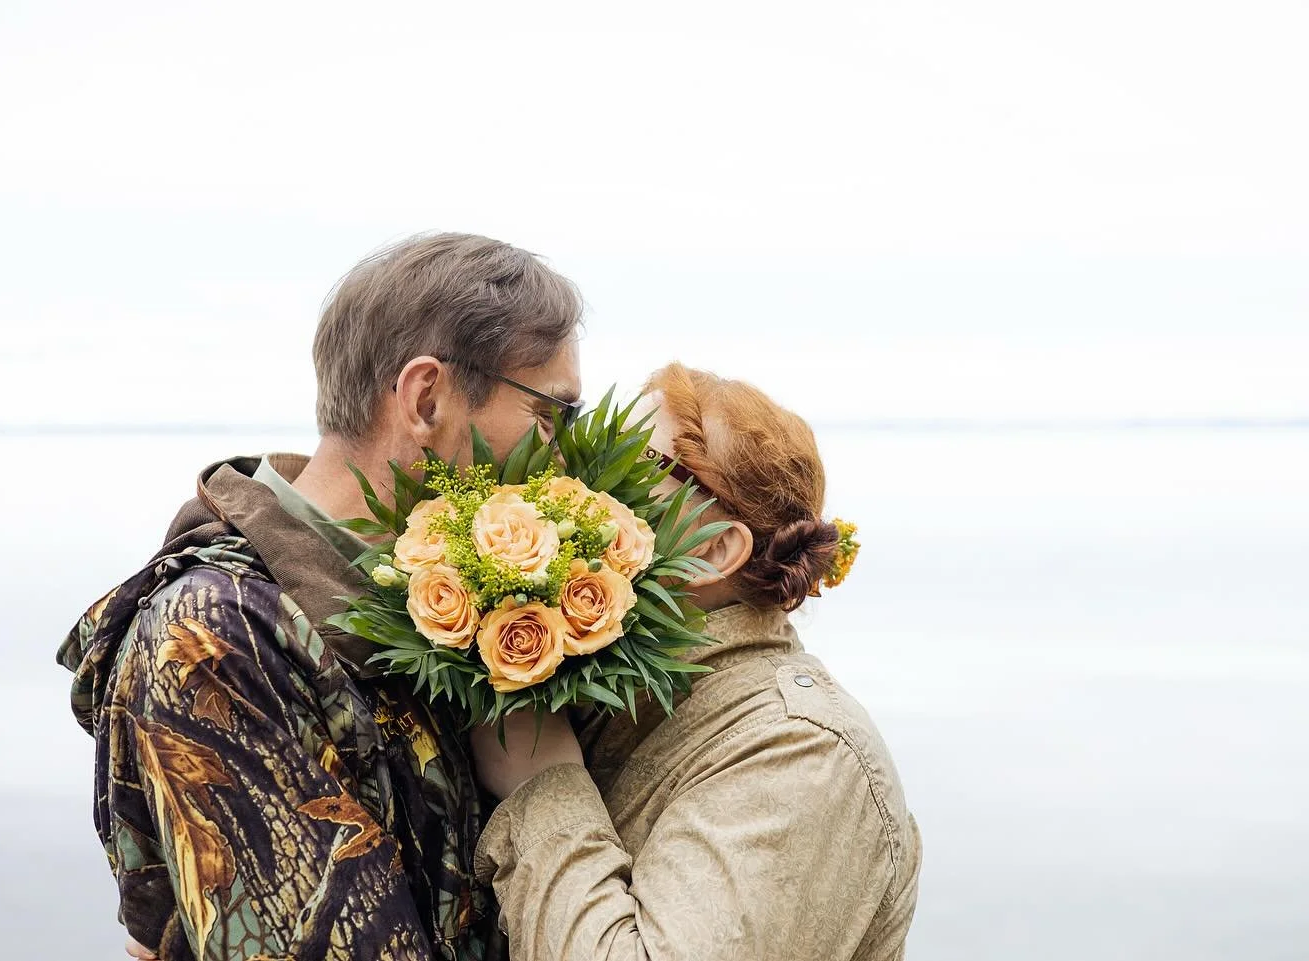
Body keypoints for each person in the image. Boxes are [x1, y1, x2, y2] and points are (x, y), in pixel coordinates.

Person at [56, 232, 583, 961]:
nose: (565, 459)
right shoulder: (217, 637)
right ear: (425, 397)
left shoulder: (428, 604)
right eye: (552, 415)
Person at [470, 362, 922, 961]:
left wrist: (542, 786)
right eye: (590, 443)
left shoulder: (804, 754)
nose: (578, 480)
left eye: (630, 460)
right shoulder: (603, 685)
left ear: (715, 550)